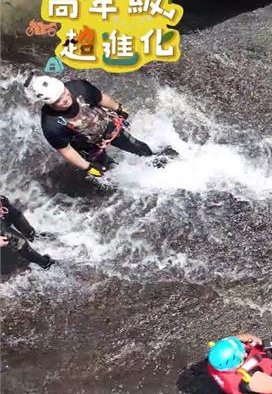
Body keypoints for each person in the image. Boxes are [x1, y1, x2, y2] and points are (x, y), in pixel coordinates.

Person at [23, 75, 173, 178]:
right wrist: (87, 167)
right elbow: (66, 151)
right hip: (86, 145)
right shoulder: (51, 125)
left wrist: (118, 108)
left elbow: (101, 98)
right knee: (108, 170)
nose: (66, 99)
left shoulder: (79, 87)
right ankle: (120, 184)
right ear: (50, 103)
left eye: (65, 93)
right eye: (59, 100)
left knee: (138, 147)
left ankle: (157, 163)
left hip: (107, 126)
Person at [207, 333, 272, 394]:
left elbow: (242, 337)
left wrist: (260, 342)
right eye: (241, 348)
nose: (243, 344)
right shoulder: (248, 377)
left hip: (231, 386)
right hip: (260, 388)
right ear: (239, 360)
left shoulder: (218, 357)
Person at [0, 195, 53, 270]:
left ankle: (33, 237)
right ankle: (46, 264)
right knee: (20, 243)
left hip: (3, 209)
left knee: (22, 223)